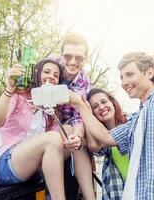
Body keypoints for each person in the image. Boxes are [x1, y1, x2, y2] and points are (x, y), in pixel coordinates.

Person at [69, 52, 154, 200]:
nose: (124, 82)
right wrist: (79, 105)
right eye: (122, 77)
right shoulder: (136, 119)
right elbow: (105, 138)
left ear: (149, 73)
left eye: (129, 74)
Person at [0, 57, 91, 200]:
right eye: (46, 72)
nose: (51, 77)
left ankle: (88, 196)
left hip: (31, 167)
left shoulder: (51, 110)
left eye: (55, 76)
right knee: (52, 138)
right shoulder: (19, 95)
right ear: (37, 74)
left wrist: (77, 136)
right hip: (4, 164)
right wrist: (10, 87)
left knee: (70, 132)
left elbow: (59, 143)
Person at [59, 33, 95, 200]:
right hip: (42, 124)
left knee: (78, 143)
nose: (73, 62)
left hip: (66, 127)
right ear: (61, 55)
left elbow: (78, 117)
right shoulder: (49, 67)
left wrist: (78, 137)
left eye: (79, 58)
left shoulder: (85, 84)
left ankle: (89, 197)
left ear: (85, 59)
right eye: (68, 56)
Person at [86, 88, 130, 200]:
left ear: (113, 103)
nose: (101, 107)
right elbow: (93, 146)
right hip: (118, 193)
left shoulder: (130, 123)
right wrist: (86, 112)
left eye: (104, 102)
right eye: (95, 106)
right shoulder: (101, 140)